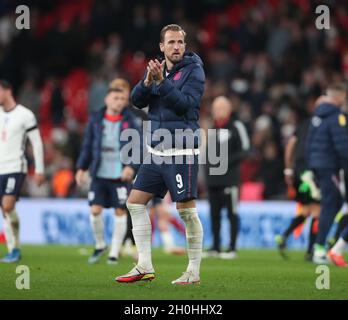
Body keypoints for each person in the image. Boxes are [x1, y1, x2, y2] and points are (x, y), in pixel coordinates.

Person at [115, 24, 205, 285]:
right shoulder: (157, 69)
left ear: (184, 45)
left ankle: (193, 272)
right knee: (134, 202)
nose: (177, 46)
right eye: (171, 42)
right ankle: (144, 265)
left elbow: (185, 105)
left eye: (180, 42)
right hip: (156, 151)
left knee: (186, 211)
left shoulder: (194, 70)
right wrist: (147, 81)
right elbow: (136, 100)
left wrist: (162, 83)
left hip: (182, 149)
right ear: (162, 47)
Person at [75, 78, 140, 265]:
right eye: (115, 97)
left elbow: (137, 147)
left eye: (122, 98)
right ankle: (100, 244)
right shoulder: (96, 118)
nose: (119, 101)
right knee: (95, 210)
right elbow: (88, 145)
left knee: (120, 211)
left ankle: (114, 251)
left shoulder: (131, 120)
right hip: (99, 172)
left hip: (120, 175)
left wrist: (131, 166)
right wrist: (81, 167)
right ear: (107, 99)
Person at [0, 79, 45, 263]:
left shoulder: (25, 115)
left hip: (15, 167)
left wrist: (40, 169)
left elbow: (37, 143)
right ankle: (13, 249)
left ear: (7, 90)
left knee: (8, 206)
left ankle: (15, 248)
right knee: (5, 210)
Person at [306, 83, 348, 264]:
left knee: (332, 204)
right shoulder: (337, 117)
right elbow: (342, 146)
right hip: (330, 166)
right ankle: (320, 249)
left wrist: (311, 166)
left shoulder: (317, 117)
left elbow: (308, 143)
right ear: (339, 96)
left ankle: (321, 246)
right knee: (330, 205)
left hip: (318, 165)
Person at [204, 96, 249, 259]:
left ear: (229, 109)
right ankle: (215, 247)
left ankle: (232, 248)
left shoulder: (236, 126)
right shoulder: (211, 128)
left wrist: (226, 162)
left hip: (230, 180)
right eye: (216, 108)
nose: (218, 111)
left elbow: (245, 150)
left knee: (232, 214)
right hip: (213, 181)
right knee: (214, 215)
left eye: (222, 107)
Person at [275, 103, 321, 261]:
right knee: (317, 211)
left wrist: (288, 169)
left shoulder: (303, 124)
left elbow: (290, 145)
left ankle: (285, 235)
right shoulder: (324, 125)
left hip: (298, 173)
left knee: (307, 210)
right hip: (312, 172)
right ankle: (311, 252)